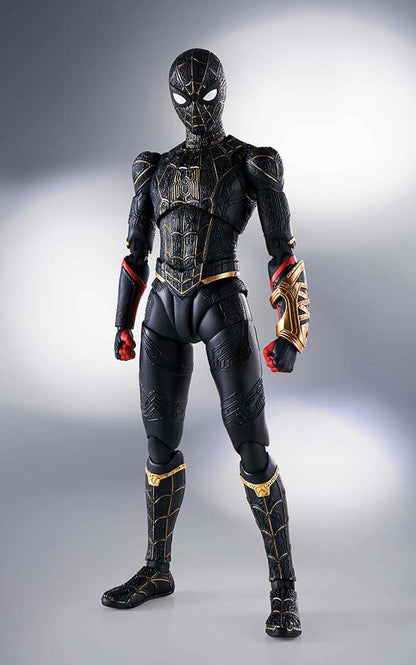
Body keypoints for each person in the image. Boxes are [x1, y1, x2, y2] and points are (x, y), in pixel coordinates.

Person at [101, 48, 309, 638]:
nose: (196, 106)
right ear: (171, 99)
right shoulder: (154, 168)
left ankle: (284, 590)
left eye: (206, 94)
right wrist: (121, 321)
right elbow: (136, 250)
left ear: (223, 92)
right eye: (184, 96)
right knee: (159, 444)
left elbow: (282, 250)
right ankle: (156, 569)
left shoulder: (253, 163)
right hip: (163, 309)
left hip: (221, 303)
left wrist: (291, 332)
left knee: (252, 447)